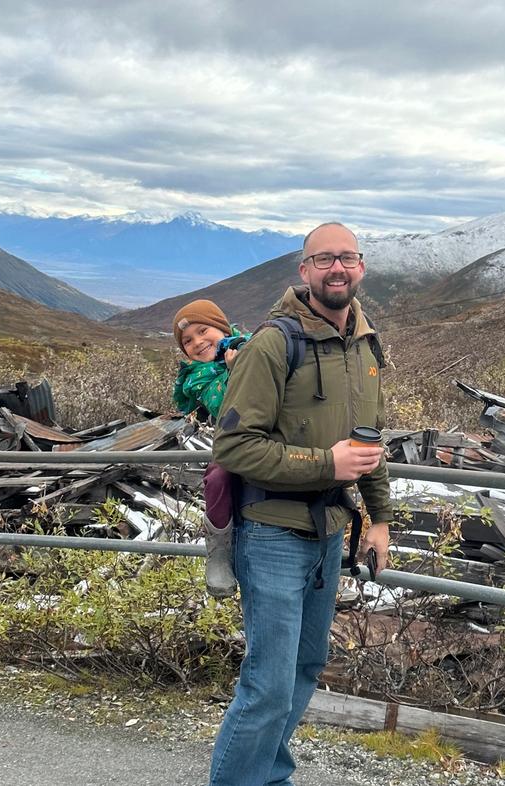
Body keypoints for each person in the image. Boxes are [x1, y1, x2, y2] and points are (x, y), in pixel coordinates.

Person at [207, 222, 392, 786]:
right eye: (323, 260)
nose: (337, 269)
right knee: (268, 683)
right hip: (271, 533)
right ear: (304, 270)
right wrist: (324, 466)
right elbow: (234, 445)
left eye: (347, 258)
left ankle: (270, 775)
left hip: (330, 531)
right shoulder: (272, 342)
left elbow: (370, 439)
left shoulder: (364, 340)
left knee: (305, 669)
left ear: (360, 267)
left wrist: (379, 517)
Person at [172, 299, 250, 597]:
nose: (198, 342)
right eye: (188, 341)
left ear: (222, 327)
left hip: (276, 432)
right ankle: (218, 550)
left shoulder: (253, 345)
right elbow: (223, 403)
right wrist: (235, 371)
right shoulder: (195, 377)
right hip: (232, 439)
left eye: (204, 330)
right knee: (217, 479)